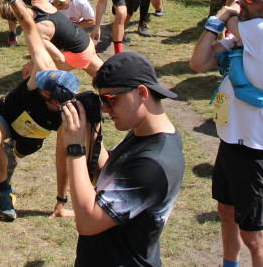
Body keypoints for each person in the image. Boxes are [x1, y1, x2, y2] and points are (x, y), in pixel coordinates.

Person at [190, 0, 263, 267]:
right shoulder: (244, 38)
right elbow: (198, 63)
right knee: (226, 212)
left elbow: (230, 21)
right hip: (232, 141)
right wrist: (218, 23)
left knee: (255, 235)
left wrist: (222, 15)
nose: (241, 3)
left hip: (256, 149)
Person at [61, 52, 184, 267]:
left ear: (141, 93)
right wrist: (90, 131)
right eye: (101, 101)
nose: (106, 109)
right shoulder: (145, 133)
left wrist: (75, 147)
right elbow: (109, 173)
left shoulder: (154, 164)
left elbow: (88, 221)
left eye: (110, 100)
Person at [0, 0, 80, 221]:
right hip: (7, 112)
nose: (39, 83)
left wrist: (60, 202)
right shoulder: (44, 71)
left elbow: (63, 159)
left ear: (54, 100)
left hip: (32, 136)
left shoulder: (69, 117)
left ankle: (15, 148)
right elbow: (29, 27)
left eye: (43, 89)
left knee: (20, 153)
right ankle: (5, 192)